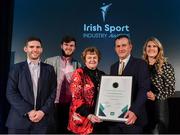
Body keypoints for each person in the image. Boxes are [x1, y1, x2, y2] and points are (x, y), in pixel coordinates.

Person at [6, 37, 57, 134]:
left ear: (41, 50)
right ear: (25, 49)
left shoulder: (49, 69)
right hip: (18, 122)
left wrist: (42, 111)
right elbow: (11, 93)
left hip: (42, 122)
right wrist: (29, 111)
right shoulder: (16, 68)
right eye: (31, 47)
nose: (35, 49)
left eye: (38, 47)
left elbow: (53, 92)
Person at [108, 35, 150, 134]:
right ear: (115, 48)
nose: (121, 48)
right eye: (118, 46)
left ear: (130, 47)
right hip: (115, 120)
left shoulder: (141, 64)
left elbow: (144, 89)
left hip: (133, 119)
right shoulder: (113, 67)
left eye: (124, 45)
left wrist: (134, 111)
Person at [44, 35, 81, 133]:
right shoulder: (49, 61)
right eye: (66, 45)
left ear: (75, 48)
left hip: (69, 106)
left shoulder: (78, 65)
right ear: (61, 46)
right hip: (53, 104)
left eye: (71, 45)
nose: (68, 47)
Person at [67, 47, 105, 134]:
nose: (92, 60)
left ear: (98, 59)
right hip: (82, 119)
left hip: (97, 118)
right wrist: (89, 115)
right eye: (89, 57)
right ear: (85, 60)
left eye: (95, 57)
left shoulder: (102, 75)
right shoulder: (79, 73)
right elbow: (76, 98)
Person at [142, 37, 175, 134]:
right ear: (145, 49)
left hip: (159, 106)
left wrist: (156, 96)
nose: (151, 48)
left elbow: (170, 89)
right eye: (149, 46)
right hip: (143, 106)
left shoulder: (166, 66)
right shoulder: (141, 65)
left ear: (159, 49)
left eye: (154, 46)